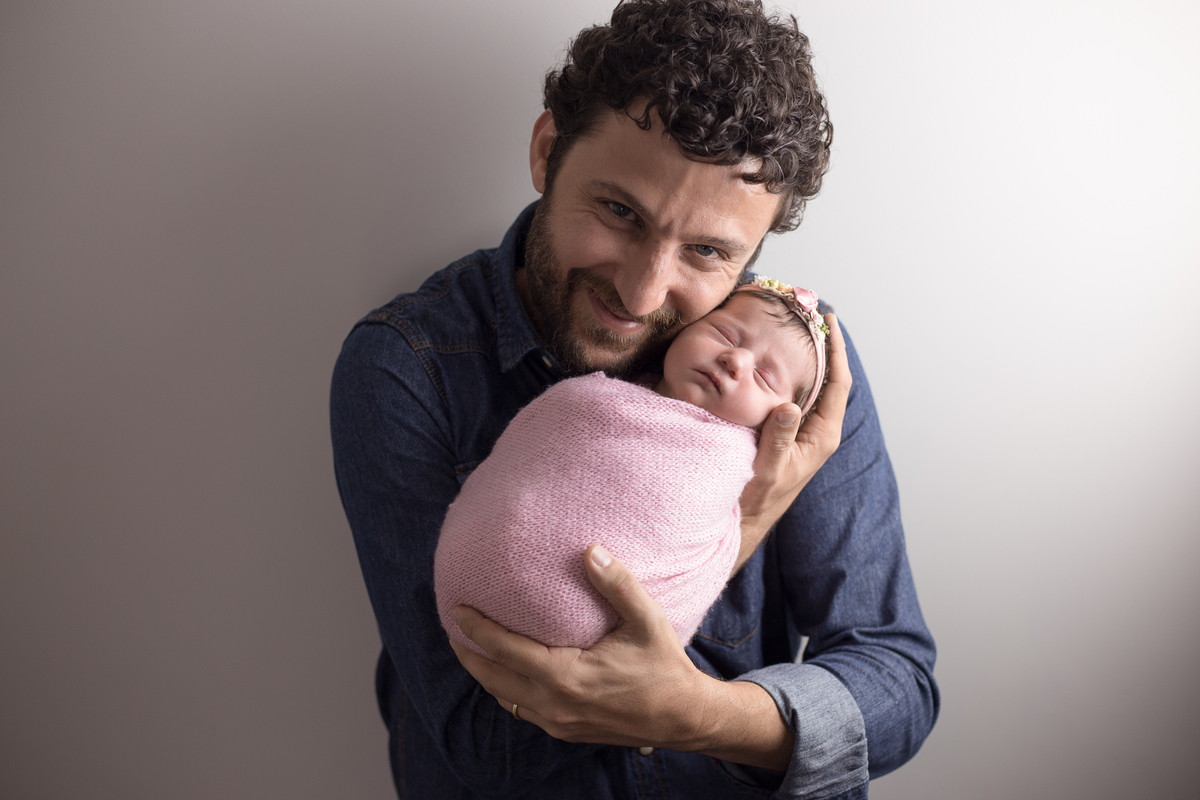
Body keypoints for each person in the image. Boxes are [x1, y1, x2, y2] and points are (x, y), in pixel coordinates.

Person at [329, 1, 938, 797]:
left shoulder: (795, 368)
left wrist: (701, 716)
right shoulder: (408, 367)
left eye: (706, 251)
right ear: (547, 153)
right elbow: (486, 748)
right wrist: (747, 518)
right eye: (620, 212)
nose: (643, 292)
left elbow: (897, 681)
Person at [435, 279, 831, 655]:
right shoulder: (606, 394)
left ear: (781, 419)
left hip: (594, 628)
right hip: (473, 571)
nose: (735, 360)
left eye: (764, 376)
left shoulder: (732, 461)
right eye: (725, 335)